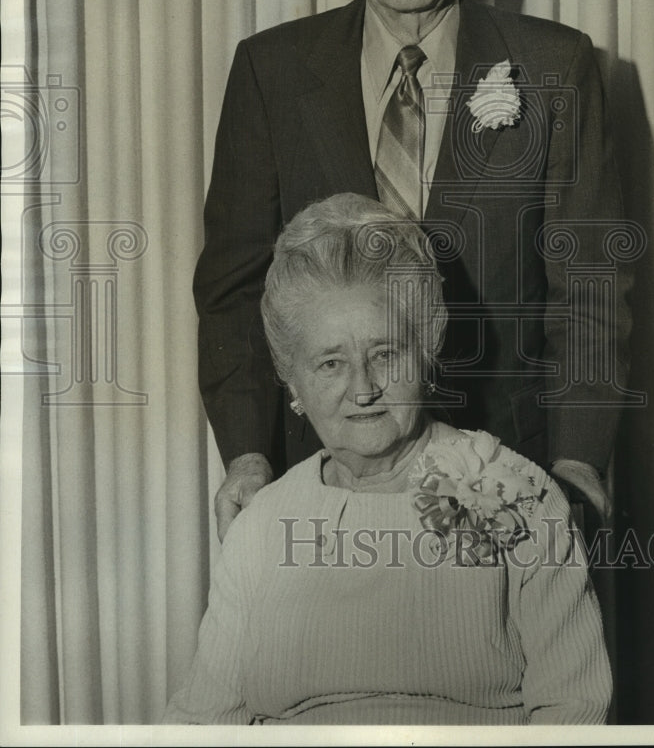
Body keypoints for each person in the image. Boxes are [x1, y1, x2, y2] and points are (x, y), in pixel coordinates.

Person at [194, 0, 633, 542]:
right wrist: (246, 454)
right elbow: (235, 292)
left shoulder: (555, 65)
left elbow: (589, 287)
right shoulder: (269, 70)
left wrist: (580, 464)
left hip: (510, 483)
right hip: (323, 485)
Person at [166, 194, 612, 725]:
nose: (363, 389)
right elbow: (201, 725)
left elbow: (573, 712)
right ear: (293, 382)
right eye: (331, 363)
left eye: (385, 354)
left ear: (427, 350)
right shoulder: (260, 527)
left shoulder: (520, 494)